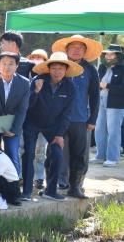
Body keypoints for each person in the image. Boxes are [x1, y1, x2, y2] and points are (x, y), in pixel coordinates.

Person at [21, 52, 80, 202]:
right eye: (54, 68)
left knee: (57, 154)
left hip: (53, 126)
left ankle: (51, 191)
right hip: (32, 122)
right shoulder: (38, 80)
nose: (57, 71)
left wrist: (59, 134)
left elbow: (67, 114)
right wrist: (36, 92)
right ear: (49, 69)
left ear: (66, 70)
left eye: (61, 68)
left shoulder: (70, 87)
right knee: (29, 154)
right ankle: (26, 191)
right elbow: (27, 105)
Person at [51, 34, 102, 199]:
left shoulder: (90, 70)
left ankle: (76, 186)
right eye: (73, 47)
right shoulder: (59, 66)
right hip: (58, 119)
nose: (76, 50)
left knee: (80, 154)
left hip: (80, 119)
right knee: (57, 152)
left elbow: (95, 96)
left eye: (80, 48)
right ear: (66, 50)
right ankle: (59, 183)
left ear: (85, 51)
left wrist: (92, 119)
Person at [0, 51, 30, 176]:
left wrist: (14, 130)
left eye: (11, 64)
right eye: (3, 63)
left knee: (12, 154)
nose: (7, 67)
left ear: (17, 66)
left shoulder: (24, 83)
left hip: (12, 124)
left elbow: (22, 109)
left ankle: (14, 183)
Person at [93, 44, 123, 167]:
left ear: (118, 56)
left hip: (116, 104)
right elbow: (97, 83)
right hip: (101, 101)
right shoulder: (102, 67)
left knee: (113, 131)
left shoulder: (122, 68)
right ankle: (100, 156)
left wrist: (108, 86)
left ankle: (112, 158)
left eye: (111, 54)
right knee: (99, 129)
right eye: (106, 54)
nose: (108, 56)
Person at [26, 49, 50, 189]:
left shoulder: (48, 78)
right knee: (24, 150)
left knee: (40, 150)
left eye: (40, 58)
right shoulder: (25, 73)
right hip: (27, 119)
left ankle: (39, 178)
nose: (36, 60)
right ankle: (22, 177)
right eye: (33, 57)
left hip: (43, 120)